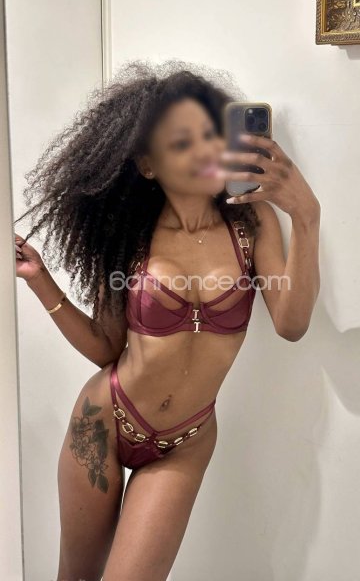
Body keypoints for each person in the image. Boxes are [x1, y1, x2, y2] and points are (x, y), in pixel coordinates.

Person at [14, 59, 321, 581]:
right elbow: (105, 347)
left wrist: (307, 216)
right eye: (182, 142)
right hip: (105, 420)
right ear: (147, 165)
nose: (204, 151)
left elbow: (291, 325)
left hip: (186, 440)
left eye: (209, 134)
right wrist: (41, 280)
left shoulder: (252, 222)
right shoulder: (130, 236)